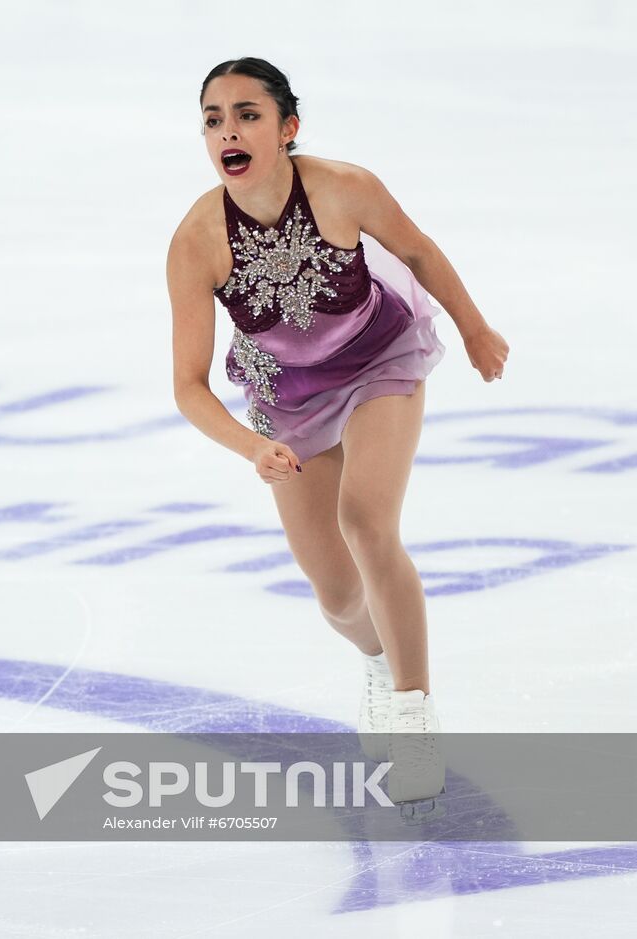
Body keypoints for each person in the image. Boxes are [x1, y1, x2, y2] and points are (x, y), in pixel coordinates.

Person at [164, 57, 509, 811]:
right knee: (336, 593)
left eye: (248, 114)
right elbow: (187, 385)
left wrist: (475, 327)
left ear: (288, 128)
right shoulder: (196, 240)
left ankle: (416, 719)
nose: (229, 129)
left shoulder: (340, 187)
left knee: (366, 520)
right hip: (288, 401)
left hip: (380, 358)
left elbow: (415, 250)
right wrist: (253, 445)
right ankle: (381, 662)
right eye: (214, 118)